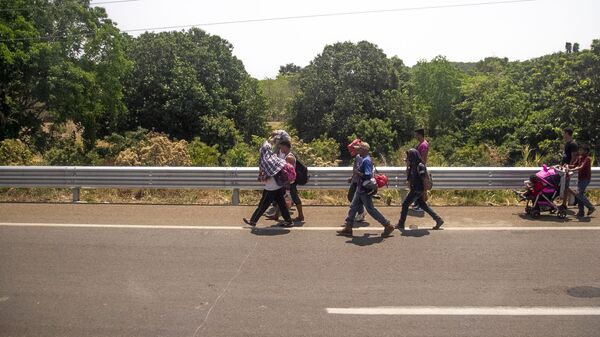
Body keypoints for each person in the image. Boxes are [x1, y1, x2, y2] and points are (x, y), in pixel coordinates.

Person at [337, 142, 395, 237]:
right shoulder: (364, 159)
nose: (357, 150)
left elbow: (368, 175)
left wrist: (358, 173)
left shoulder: (366, 160)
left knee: (370, 209)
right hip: (360, 188)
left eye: (359, 149)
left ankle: (387, 225)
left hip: (364, 190)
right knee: (353, 207)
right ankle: (348, 227)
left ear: (364, 150)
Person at [243, 139, 293, 227]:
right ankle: (289, 221)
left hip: (271, 187)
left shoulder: (266, 161)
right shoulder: (274, 157)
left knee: (263, 205)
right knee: (281, 204)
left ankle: (253, 221)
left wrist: (262, 177)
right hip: (277, 186)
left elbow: (267, 175)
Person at [397, 149, 444, 231]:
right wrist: (407, 166)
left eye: (409, 156)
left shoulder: (420, 166)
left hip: (418, 190)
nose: (407, 158)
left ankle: (401, 224)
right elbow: (409, 179)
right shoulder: (412, 166)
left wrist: (425, 192)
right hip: (415, 189)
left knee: (405, 204)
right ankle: (438, 220)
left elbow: (424, 180)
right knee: (423, 205)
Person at [266, 139, 305, 222]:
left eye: (281, 147)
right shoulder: (287, 156)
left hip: (289, 183)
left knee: (294, 198)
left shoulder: (289, 157)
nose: (280, 149)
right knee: (280, 198)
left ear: (285, 147)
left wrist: (286, 183)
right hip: (287, 182)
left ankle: (301, 216)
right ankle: (276, 215)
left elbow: (288, 172)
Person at [569, 144, 596, 217]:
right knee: (579, 195)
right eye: (579, 149)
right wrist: (566, 166)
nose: (579, 151)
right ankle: (581, 212)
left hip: (585, 179)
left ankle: (591, 207)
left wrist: (572, 169)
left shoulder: (587, 159)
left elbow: (581, 167)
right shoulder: (579, 158)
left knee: (579, 194)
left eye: (581, 150)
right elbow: (574, 165)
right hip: (580, 178)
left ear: (586, 151)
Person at [346, 138, 366, 222]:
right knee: (353, 198)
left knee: (352, 197)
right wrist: (352, 176)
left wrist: (356, 175)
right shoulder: (358, 156)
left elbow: (361, 170)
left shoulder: (361, 157)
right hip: (356, 180)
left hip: (359, 181)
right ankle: (358, 213)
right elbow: (356, 169)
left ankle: (361, 212)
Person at [560, 127, 578, 207]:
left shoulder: (573, 144)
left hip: (567, 168)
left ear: (567, 133)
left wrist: (569, 168)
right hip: (563, 168)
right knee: (564, 186)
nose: (563, 135)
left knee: (565, 186)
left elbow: (574, 157)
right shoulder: (567, 143)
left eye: (564, 133)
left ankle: (564, 204)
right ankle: (576, 196)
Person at [412, 128, 429, 212]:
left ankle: (420, 205)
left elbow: (423, 158)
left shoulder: (423, 145)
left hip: (420, 168)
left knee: (421, 187)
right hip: (419, 167)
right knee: (419, 187)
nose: (415, 136)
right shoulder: (421, 144)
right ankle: (418, 204)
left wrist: (420, 167)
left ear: (420, 134)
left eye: (416, 134)